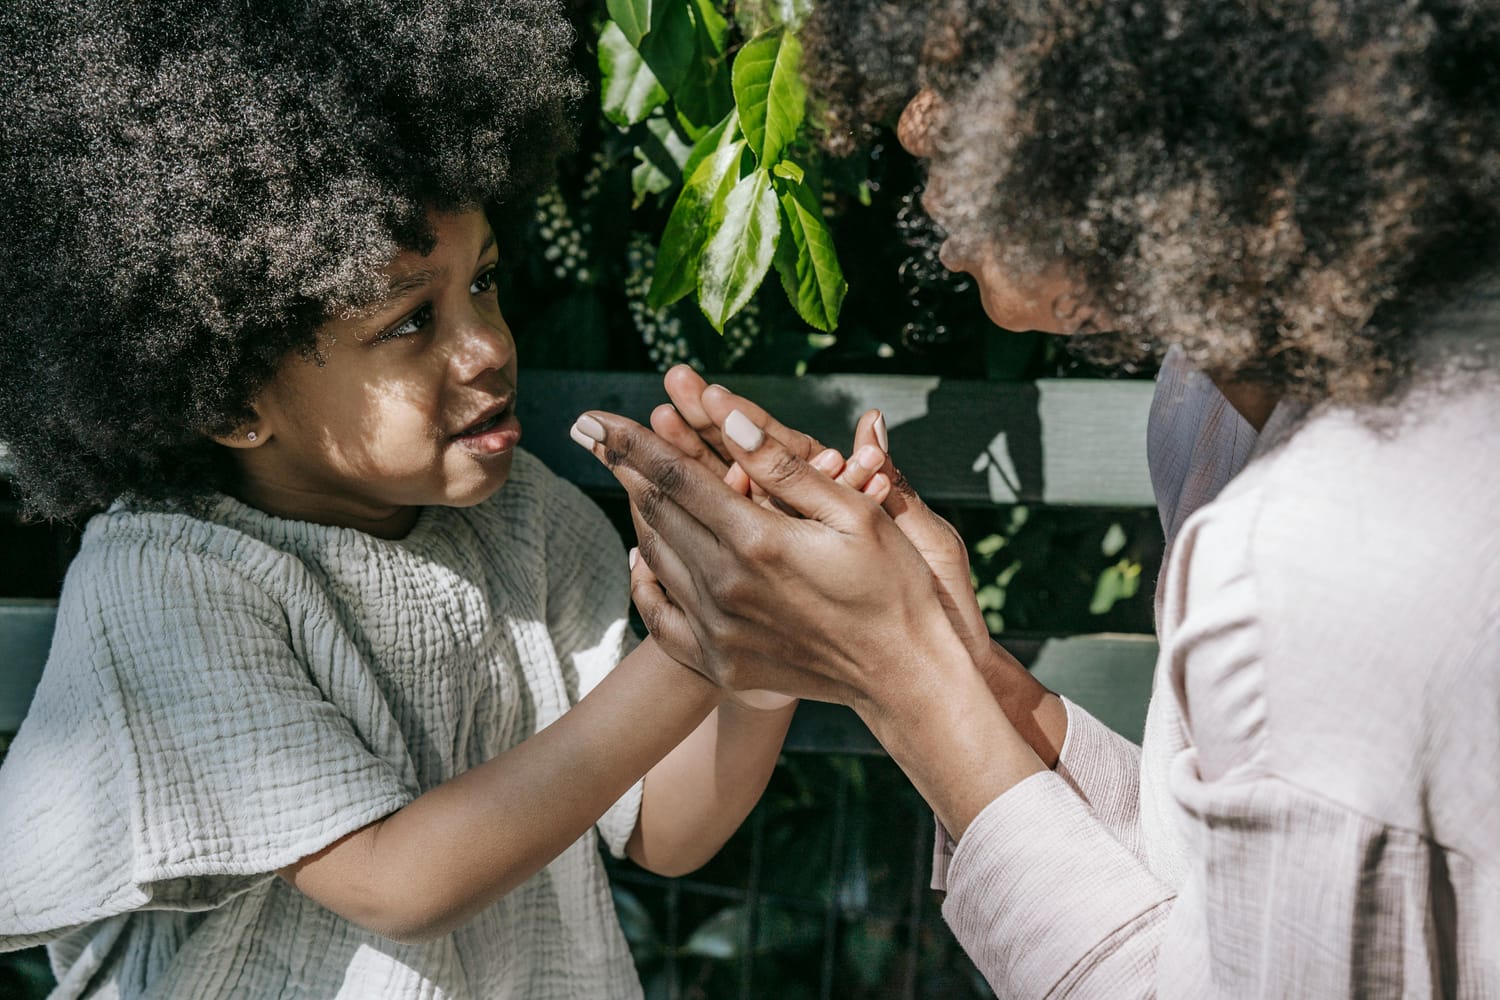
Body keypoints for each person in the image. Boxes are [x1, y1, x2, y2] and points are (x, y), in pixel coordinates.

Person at [567, 1, 1500, 995]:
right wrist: (948, 656)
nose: (909, 126)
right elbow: (1222, 901)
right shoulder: (1212, 410)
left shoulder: (1310, 552)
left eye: (955, 58)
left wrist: (905, 681)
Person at [0, 2, 888, 996]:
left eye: (488, 283)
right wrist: (703, 637)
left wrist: (759, 657)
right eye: (411, 320)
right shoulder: (168, 582)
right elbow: (399, 879)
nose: (489, 347)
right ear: (233, 398)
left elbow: (669, 828)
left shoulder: (529, 520)